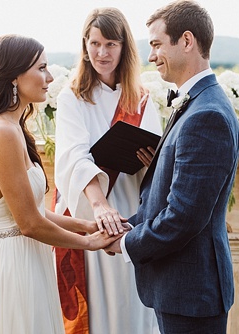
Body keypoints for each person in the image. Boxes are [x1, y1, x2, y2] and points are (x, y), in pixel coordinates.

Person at [0, 34, 121, 334]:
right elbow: (29, 223)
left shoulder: (13, 127)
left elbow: (34, 213)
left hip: (29, 260)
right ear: (15, 76)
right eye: (41, 68)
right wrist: (88, 243)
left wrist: (86, 225)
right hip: (12, 266)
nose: (50, 77)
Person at [105, 1, 239, 333]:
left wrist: (126, 243)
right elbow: (170, 197)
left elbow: (184, 216)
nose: (150, 56)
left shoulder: (206, 115)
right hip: (182, 288)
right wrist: (128, 225)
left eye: (156, 44)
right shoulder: (197, 103)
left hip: (192, 292)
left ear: (187, 41)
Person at [53, 7, 162, 334]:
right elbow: (74, 156)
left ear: (124, 47)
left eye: (111, 44)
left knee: (131, 301)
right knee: (100, 306)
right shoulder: (72, 96)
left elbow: (158, 160)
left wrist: (151, 159)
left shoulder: (141, 98)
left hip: (131, 206)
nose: (102, 53)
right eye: (95, 43)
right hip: (91, 210)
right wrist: (100, 206)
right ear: (84, 45)